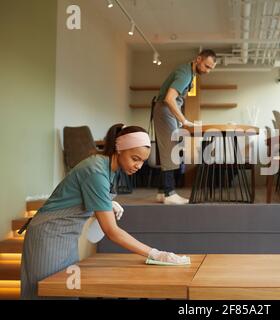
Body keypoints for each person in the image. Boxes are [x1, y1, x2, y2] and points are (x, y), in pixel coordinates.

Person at [20, 124, 187, 300]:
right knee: (46, 293)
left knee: (67, 291)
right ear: (119, 149)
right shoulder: (96, 172)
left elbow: (76, 203)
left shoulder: (110, 170)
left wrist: (104, 205)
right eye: (135, 158)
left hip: (67, 236)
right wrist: (156, 254)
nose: (138, 165)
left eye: (143, 161)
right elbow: (112, 231)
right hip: (49, 234)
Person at [153, 49, 217, 205]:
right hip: (165, 110)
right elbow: (169, 99)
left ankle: (162, 192)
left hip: (166, 111)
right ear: (198, 59)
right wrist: (184, 120)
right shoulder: (186, 74)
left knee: (169, 149)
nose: (208, 71)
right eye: (207, 66)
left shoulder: (190, 73)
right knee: (170, 150)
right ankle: (169, 194)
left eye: (211, 68)